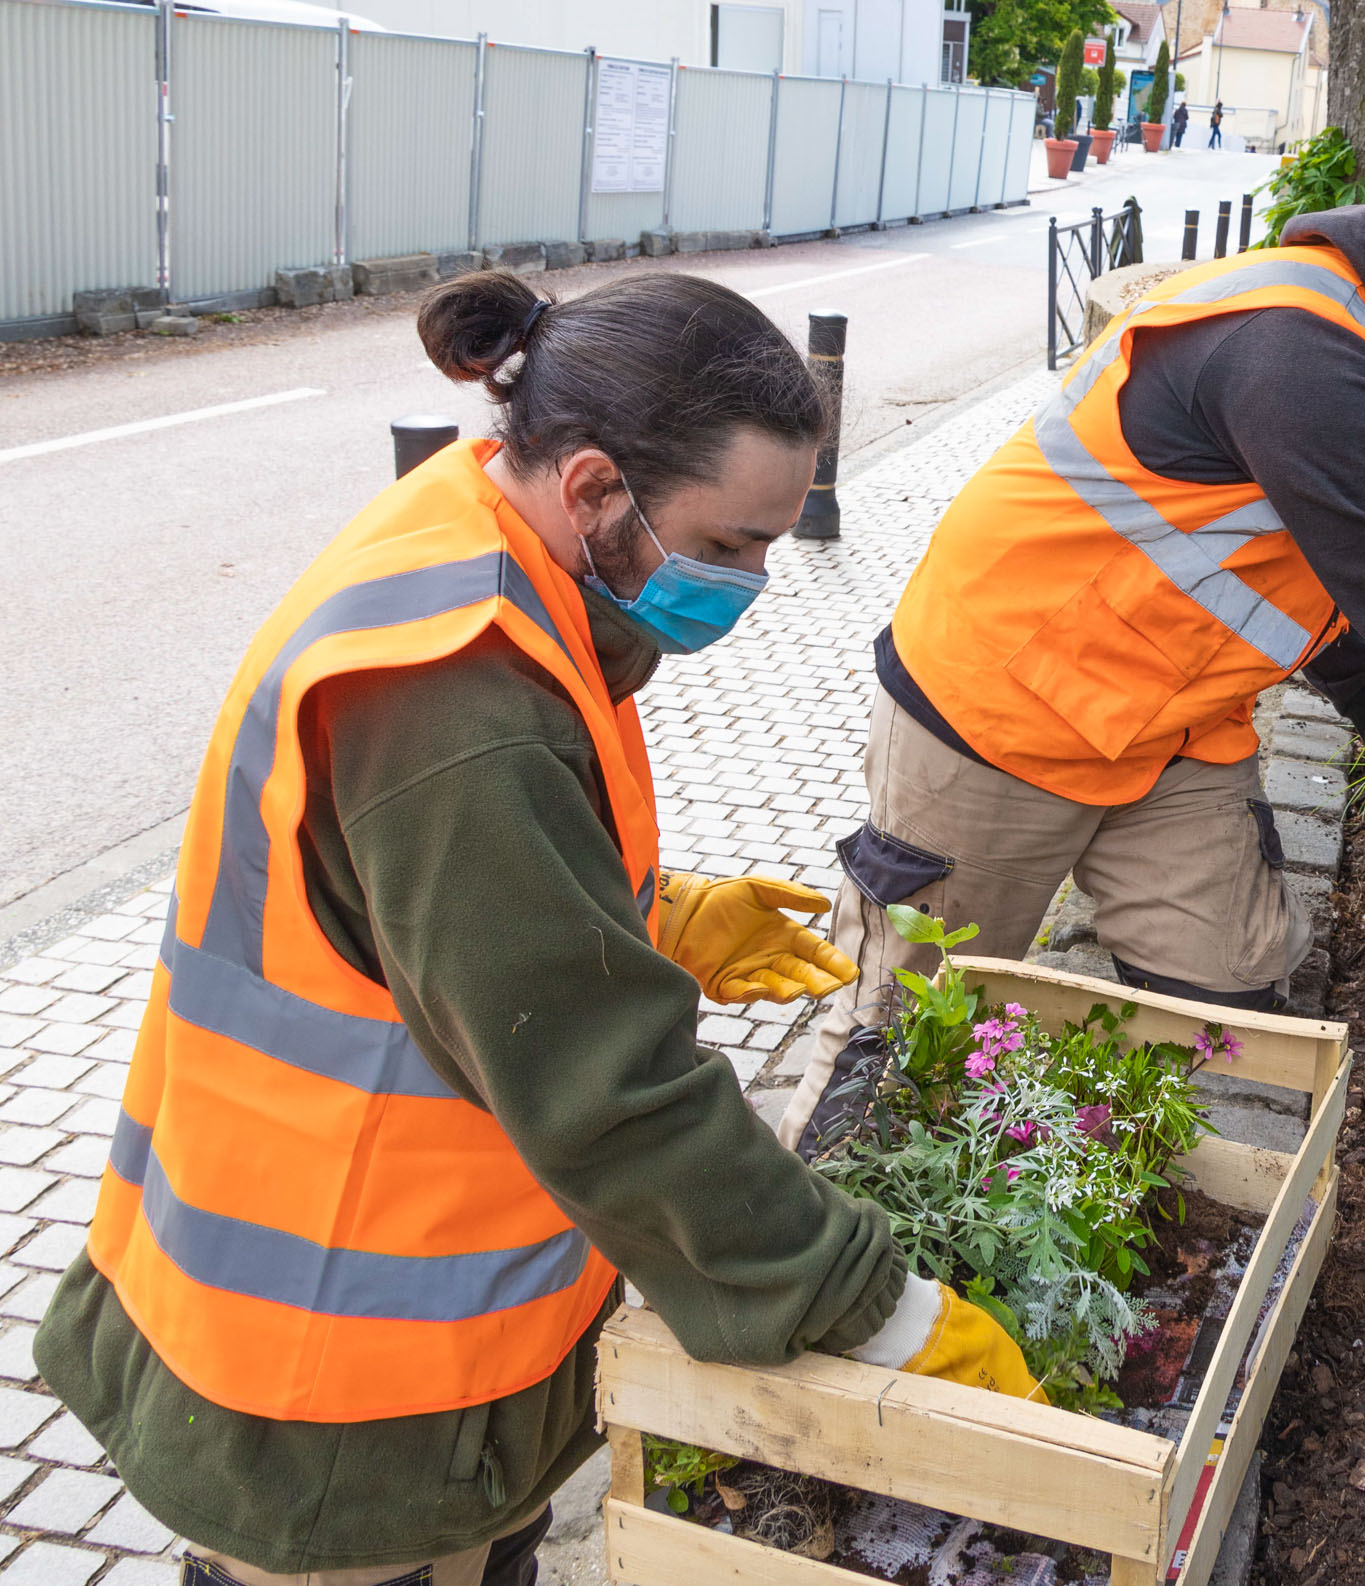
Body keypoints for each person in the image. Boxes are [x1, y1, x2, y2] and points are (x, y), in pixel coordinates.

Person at [36, 269, 1035, 1586]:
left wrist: (649, 919)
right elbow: (609, 1091)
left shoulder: (481, 534)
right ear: (595, 490)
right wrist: (876, 1306)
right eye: (731, 542)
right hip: (340, 1385)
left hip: (398, 1346)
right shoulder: (456, 696)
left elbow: (413, 909)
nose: (753, 581)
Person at [780, 158, 1365, 1154]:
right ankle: (813, 1284)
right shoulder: (1301, 351)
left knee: (1224, 1000)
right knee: (899, 1035)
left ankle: (1091, 1196)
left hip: (1168, 721)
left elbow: (1312, 563)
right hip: (1001, 705)